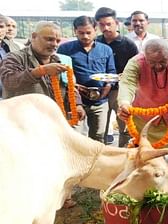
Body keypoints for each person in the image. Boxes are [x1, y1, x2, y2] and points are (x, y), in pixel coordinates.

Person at [0, 21, 86, 208]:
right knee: (28, 164)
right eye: (48, 39)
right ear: (33, 37)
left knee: (58, 161)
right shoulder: (14, 58)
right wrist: (39, 71)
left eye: (57, 40)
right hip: (24, 125)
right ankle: (28, 204)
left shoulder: (59, 60)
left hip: (55, 123)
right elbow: (9, 82)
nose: (54, 43)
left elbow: (71, 86)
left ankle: (63, 196)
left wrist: (77, 104)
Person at [117, 38, 168, 168]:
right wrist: (124, 103)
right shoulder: (136, 62)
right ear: (145, 56)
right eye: (152, 62)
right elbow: (127, 83)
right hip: (145, 117)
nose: (158, 66)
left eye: (162, 61)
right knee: (146, 157)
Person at [57, 16, 116, 143]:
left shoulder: (106, 49)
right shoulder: (65, 49)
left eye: (88, 32)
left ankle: (97, 162)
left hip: (100, 100)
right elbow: (62, 76)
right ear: (75, 31)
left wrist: (107, 87)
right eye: (81, 33)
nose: (85, 36)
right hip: (75, 100)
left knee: (99, 136)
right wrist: (76, 87)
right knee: (76, 137)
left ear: (95, 30)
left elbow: (111, 72)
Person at [95, 7, 139, 147]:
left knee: (126, 128)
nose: (106, 28)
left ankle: (124, 156)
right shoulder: (95, 43)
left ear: (117, 23)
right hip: (101, 90)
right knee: (99, 130)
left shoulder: (128, 44)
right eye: (101, 25)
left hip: (122, 91)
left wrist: (123, 76)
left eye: (109, 24)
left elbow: (137, 69)